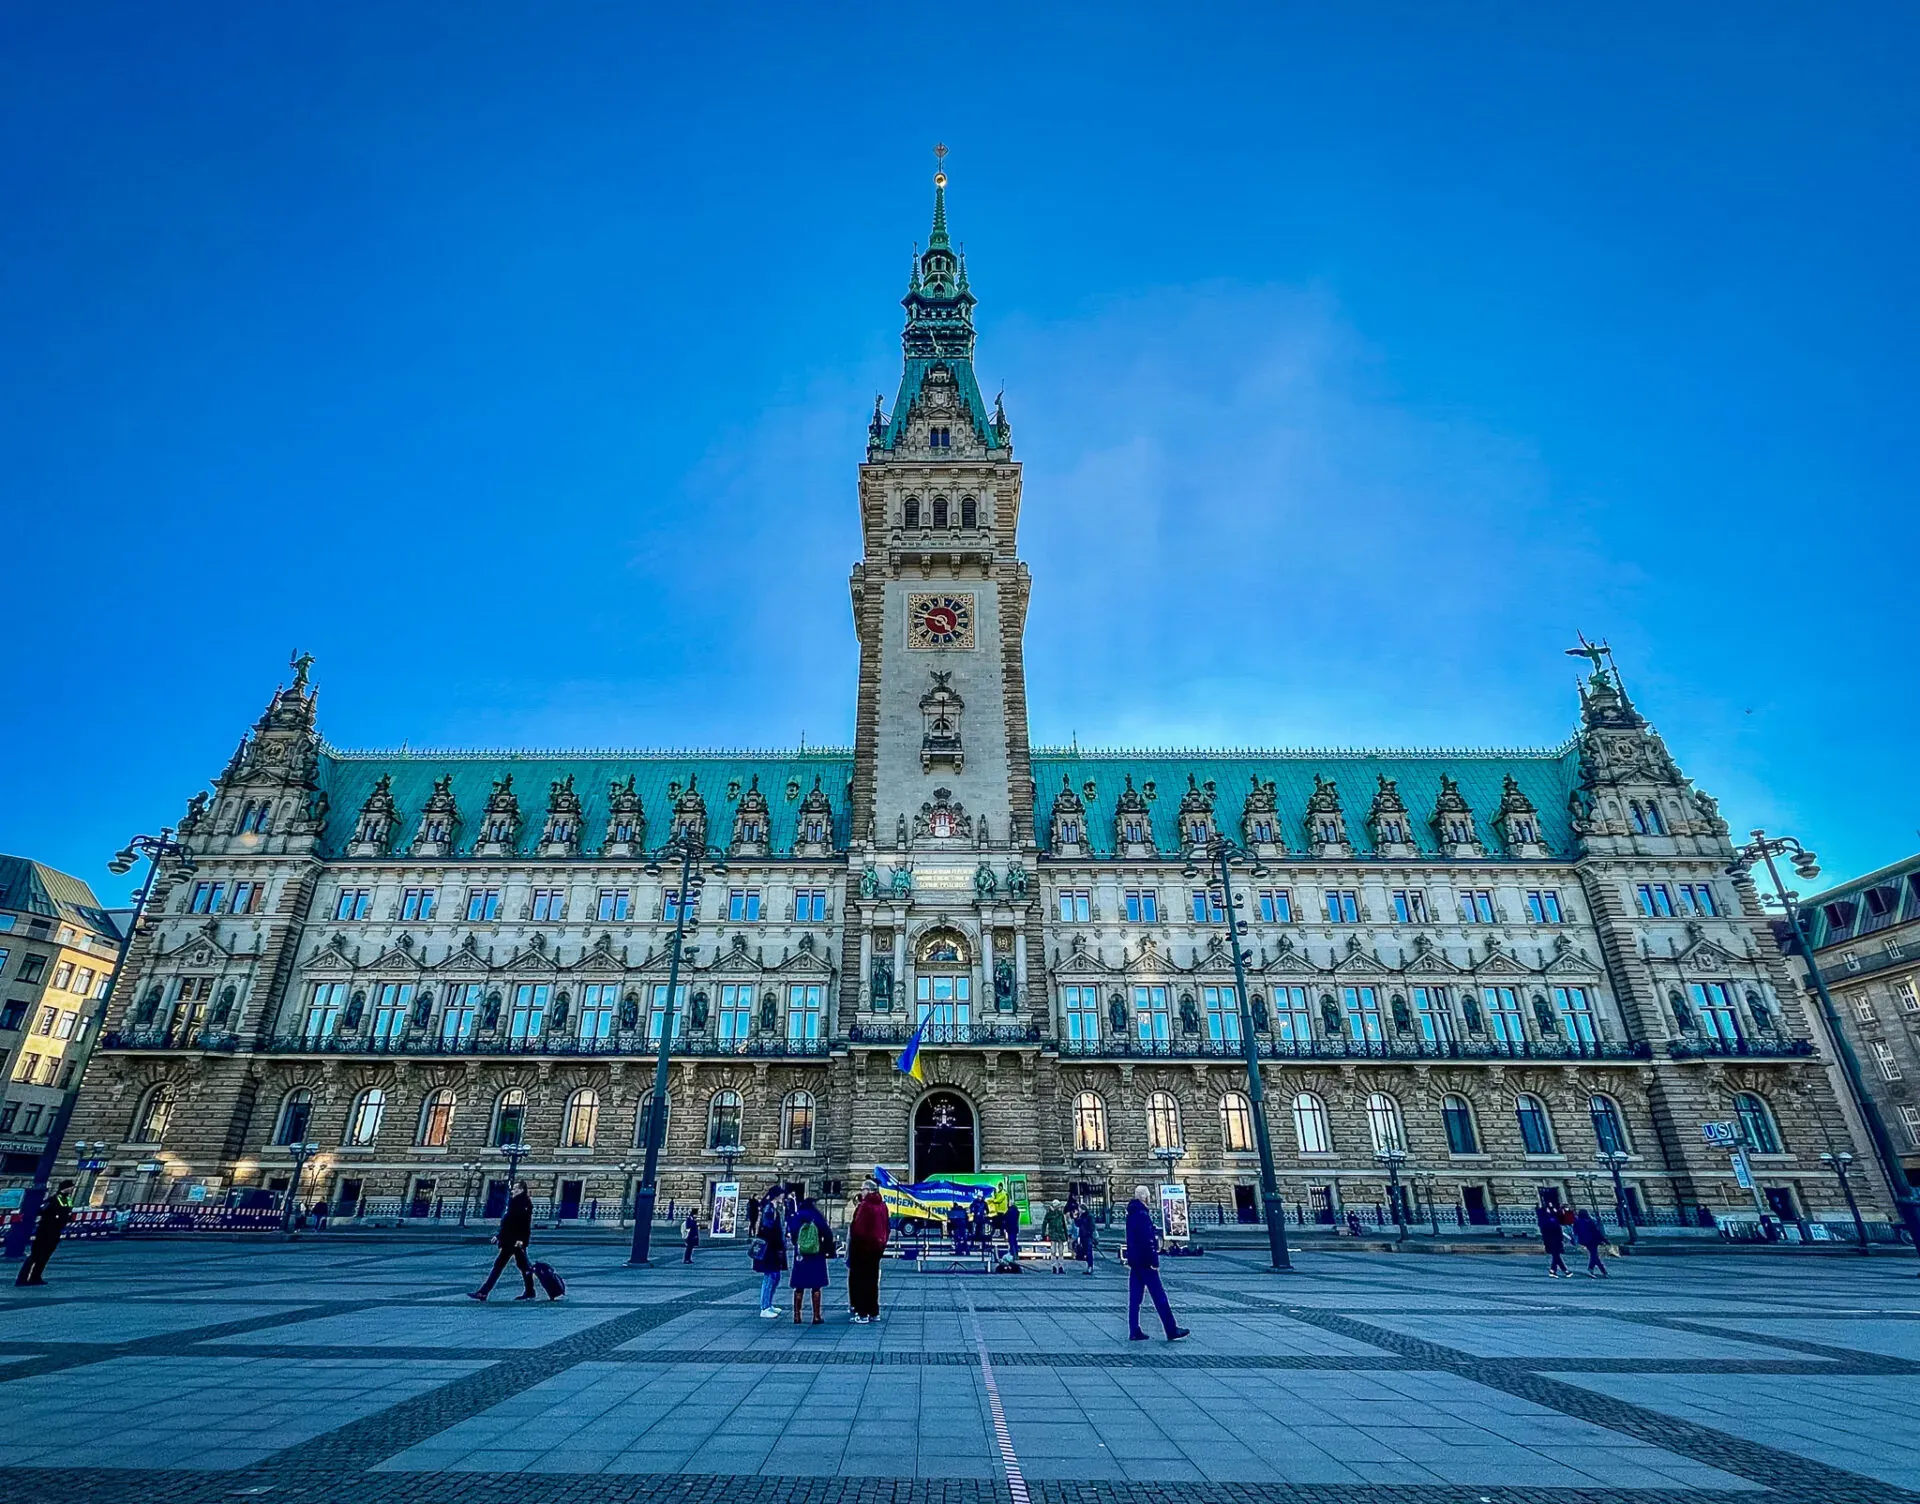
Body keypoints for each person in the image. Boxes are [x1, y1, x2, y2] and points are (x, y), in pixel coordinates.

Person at [1124, 1186, 1188, 1341]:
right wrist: (1154, 1261)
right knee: (1159, 1296)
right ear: (1145, 1198)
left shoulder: (1131, 1214)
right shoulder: (1142, 1214)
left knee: (1135, 1299)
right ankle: (1171, 1329)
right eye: (1149, 1196)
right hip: (1146, 1263)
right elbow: (1147, 1241)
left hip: (1135, 1262)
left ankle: (1134, 1329)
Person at [469, 1180, 535, 1301]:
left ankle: (483, 1292)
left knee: (500, 1266)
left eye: (515, 1188)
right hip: (510, 1240)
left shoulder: (522, 1204)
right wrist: (499, 1236)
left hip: (514, 1241)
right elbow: (509, 1223)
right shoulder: (516, 1202)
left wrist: (521, 1239)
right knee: (523, 1266)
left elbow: (524, 1224)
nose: (512, 1191)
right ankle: (530, 1291)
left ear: (521, 1190)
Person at [14, 1180, 77, 1287]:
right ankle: (22, 1279)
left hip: (56, 1231)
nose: (72, 1189)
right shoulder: (53, 1199)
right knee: (35, 1255)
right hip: (45, 1230)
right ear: (65, 1188)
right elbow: (42, 1210)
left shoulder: (68, 1199)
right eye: (71, 1187)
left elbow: (67, 1212)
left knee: (46, 1255)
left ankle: (36, 1276)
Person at [787, 1193, 833, 1325]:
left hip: (801, 1254)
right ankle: (816, 1316)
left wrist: (799, 1245)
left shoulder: (797, 1216)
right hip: (816, 1253)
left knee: (799, 1286)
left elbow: (793, 1233)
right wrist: (827, 1249)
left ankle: (797, 1316)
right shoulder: (816, 1216)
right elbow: (827, 1233)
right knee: (816, 1286)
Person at [848, 1180, 890, 1323]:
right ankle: (874, 1312)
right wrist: (882, 1244)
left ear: (869, 1190)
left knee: (861, 1281)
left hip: (863, 1248)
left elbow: (858, 1229)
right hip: (877, 1248)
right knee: (873, 1281)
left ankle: (862, 1313)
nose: (861, 1192)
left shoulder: (865, 1206)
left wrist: (855, 1246)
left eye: (863, 1189)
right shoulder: (883, 1206)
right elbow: (887, 1227)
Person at [752, 1192, 787, 1318]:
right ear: (776, 1196)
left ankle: (769, 1304)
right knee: (770, 1277)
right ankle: (764, 1307)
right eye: (782, 1195)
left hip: (775, 1248)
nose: (783, 1198)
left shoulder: (775, 1209)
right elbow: (768, 1229)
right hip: (769, 1249)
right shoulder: (769, 1209)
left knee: (775, 1276)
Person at [1572, 1208, 1609, 1277]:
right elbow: (1596, 1232)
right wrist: (1604, 1240)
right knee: (1594, 1255)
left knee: (1593, 1255)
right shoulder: (1590, 1221)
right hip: (1592, 1240)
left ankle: (1595, 1269)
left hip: (1584, 1240)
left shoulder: (1577, 1222)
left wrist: (1574, 1240)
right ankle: (1601, 1271)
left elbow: (1575, 1232)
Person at [1537, 1202, 1570, 1278]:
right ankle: (1564, 1270)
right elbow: (1558, 1232)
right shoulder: (1552, 1221)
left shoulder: (1544, 1221)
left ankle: (1553, 1270)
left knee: (1556, 1256)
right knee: (1556, 1256)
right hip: (1555, 1241)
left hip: (1549, 1241)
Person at [1042, 1201, 1070, 1273]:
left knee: (1059, 1252)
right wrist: (1044, 1234)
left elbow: (1064, 1225)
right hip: (1055, 1234)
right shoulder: (1050, 1214)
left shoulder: (1059, 1214)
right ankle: (1055, 1266)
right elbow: (1044, 1224)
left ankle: (1059, 1266)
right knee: (1054, 1251)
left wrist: (1066, 1236)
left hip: (1059, 1234)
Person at [1075, 1203, 1098, 1274]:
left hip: (1088, 1236)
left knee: (1089, 1252)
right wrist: (1076, 1217)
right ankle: (1088, 1266)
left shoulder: (1089, 1216)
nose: (1079, 1210)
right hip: (1082, 1236)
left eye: (1080, 1209)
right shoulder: (1081, 1216)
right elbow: (1078, 1224)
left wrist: (1089, 1233)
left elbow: (1092, 1226)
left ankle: (1090, 1267)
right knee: (1085, 1251)